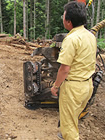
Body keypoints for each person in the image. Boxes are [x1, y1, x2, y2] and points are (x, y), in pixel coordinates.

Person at [50, 1, 97, 140]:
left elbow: (64, 69)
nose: (62, 18)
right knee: (74, 115)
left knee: (69, 125)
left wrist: (55, 86)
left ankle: (69, 135)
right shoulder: (90, 36)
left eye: (63, 16)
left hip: (73, 88)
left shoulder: (71, 39)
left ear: (69, 22)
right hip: (87, 85)